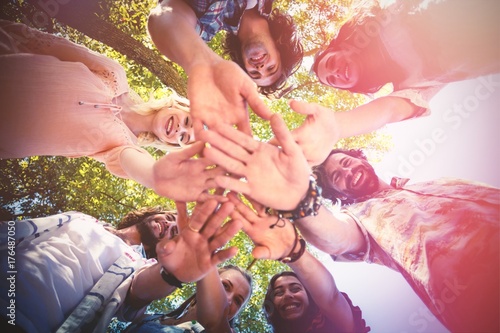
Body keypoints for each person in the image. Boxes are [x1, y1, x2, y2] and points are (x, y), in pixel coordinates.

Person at [198, 120, 500, 332]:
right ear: (338, 196)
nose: (345, 171)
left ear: (362, 159)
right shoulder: (364, 218)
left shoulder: (437, 181)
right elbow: (335, 236)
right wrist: (298, 197)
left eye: (344, 163)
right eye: (335, 178)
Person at [0, 19, 223, 202]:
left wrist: (159, 178)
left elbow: (140, 167)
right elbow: (41, 43)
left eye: (183, 138)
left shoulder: (125, 146)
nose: (179, 130)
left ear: (174, 145)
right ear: (180, 106)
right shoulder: (114, 74)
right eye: (187, 122)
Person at [282, 0, 500, 166]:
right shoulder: (408, 86)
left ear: (342, 48)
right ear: (347, 89)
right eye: (333, 80)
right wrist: (337, 126)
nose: (337, 73)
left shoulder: (383, 18)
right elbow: (387, 112)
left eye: (332, 63)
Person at [0, 200, 242, 333]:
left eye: (174, 230)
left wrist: (174, 273)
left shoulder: (139, 265)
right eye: (168, 217)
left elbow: (139, 290)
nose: (168, 223)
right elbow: (16, 233)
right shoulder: (83, 218)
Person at [147, 0, 300, 135]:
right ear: (280, 49)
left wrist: (199, 61)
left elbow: (165, 15)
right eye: (271, 68)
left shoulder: (206, 26)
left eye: (254, 73)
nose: (260, 68)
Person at [228, 192, 370, 333]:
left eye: (295, 288)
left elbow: (330, 298)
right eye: (278, 292)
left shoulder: (334, 325)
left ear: (311, 297)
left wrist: (292, 251)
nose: (288, 295)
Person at [125, 265, 252, 333]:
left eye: (237, 301)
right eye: (224, 286)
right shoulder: (147, 318)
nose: (228, 299)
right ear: (203, 282)